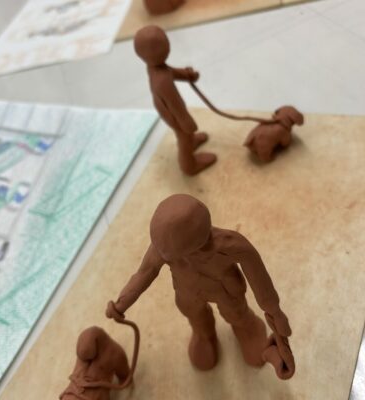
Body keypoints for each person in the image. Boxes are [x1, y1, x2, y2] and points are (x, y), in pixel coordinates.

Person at [107, 194, 293, 374]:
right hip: (188, 292)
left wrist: (275, 312)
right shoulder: (164, 248)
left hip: (225, 289)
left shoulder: (229, 246)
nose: (162, 255)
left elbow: (258, 278)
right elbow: (144, 273)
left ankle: (247, 328)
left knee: (236, 312)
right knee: (194, 314)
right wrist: (121, 303)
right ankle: (203, 334)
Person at [135, 26, 217, 175]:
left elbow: (170, 71)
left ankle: (192, 141)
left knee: (186, 134)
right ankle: (189, 165)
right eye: (164, 44)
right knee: (183, 135)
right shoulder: (162, 81)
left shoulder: (155, 66)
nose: (168, 46)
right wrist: (187, 122)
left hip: (164, 106)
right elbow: (175, 105)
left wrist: (186, 75)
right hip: (171, 112)